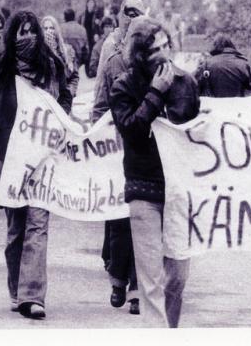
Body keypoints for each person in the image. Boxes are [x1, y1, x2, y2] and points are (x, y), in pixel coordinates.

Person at [0, 11, 72, 319]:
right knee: (16, 229)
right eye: (21, 32)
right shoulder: (0, 69)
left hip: (44, 160)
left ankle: (33, 296)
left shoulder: (51, 67)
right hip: (12, 160)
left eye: (31, 31)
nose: (27, 37)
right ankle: (16, 288)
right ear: (12, 36)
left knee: (38, 224)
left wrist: (61, 128)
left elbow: (65, 102)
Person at [110, 18, 200, 326]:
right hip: (143, 188)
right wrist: (155, 93)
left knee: (178, 275)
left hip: (177, 190)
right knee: (150, 280)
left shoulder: (187, 83)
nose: (163, 54)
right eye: (154, 49)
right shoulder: (123, 86)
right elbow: (131, 130)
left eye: (166, 46)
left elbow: (194, 134)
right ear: (140, 55)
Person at [92, 16, 147, 316]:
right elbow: (100, 104)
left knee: (141, 221)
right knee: (117, 221)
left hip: (145, 155)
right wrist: (96, 138)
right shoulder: (113, 63)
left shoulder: (157, 69)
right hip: (115, 150)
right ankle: (117, 280)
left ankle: (137, 290)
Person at [42, 14, 79, 97]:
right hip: (46, 101)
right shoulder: (38, 53)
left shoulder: (68, 50)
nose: (49, 31)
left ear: (57, 30)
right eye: (46, 28)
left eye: (52, 28)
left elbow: (74, 77)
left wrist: (69, 94)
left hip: (63, 99)